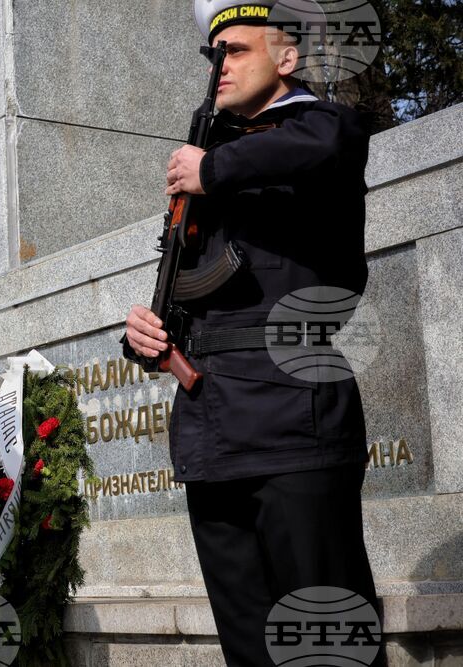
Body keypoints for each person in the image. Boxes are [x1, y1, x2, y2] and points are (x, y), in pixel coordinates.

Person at [123, 2, 381, 664]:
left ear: (286, 57)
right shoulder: (210, 161)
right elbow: (181, 283)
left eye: (235, 51)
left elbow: (328, 142)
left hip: (294, 420)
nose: (220, 68)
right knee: (251, 646)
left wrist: (210, 171)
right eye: (213, 57)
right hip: (211, 429)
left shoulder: (320, 130)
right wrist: (145, 334)